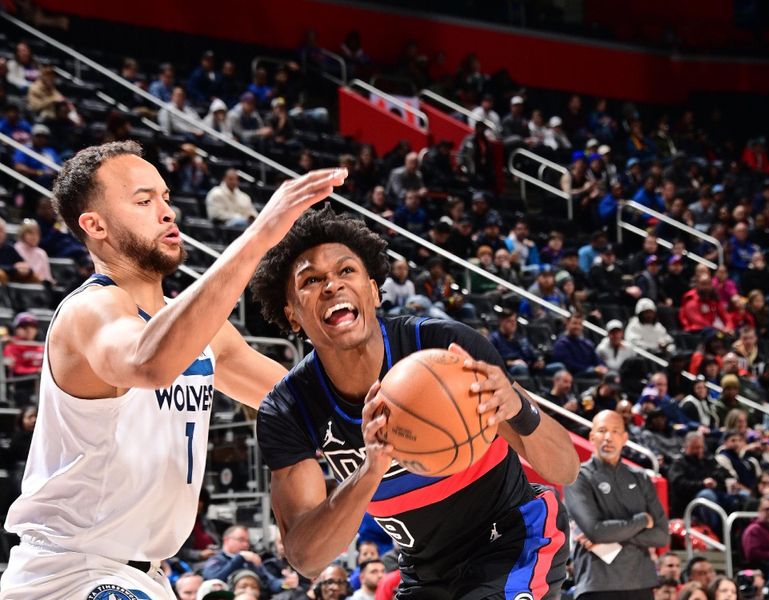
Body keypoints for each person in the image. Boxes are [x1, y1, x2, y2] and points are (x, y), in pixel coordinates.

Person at [0, 141, 347, 599]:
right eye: (144, 201)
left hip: (146, 576)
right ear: (94, 225)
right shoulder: (90, 311)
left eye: (165, 198)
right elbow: (150, 362)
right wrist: (261, 234)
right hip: (69, 571)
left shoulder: (203, 331)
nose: (167, 212)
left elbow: (298, 399)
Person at [252, 206, 579, 599]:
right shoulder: (288, 407)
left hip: (514, 539)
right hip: (425, 572)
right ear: (291, 315)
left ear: (373, 290)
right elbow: (306, 559)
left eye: (346, 271)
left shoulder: (441, 346)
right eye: (311, 280)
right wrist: (370, 470)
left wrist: (518, 409)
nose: (331, 286)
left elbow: (565, 469)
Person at [565, 410, 669, 600]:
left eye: (615, 431)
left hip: (641, 584)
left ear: (624, 438)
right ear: (591, 437)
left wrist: (613, 534)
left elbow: (662, 535)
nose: (608, 437)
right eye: (602, 430)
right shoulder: (577, 477)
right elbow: (596, 531)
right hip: (596, 584)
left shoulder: (642, 478)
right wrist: (642, 521)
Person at [551, 312, 608, 376]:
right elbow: (569, 365)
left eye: (580, 324)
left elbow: (597, 360)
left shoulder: (587, 343)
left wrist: (602, 367)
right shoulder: (561, 343)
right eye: (574, 323)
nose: (577, 327)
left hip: (589, 373)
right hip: (573, 376)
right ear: (567, 324)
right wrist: (593, 369)